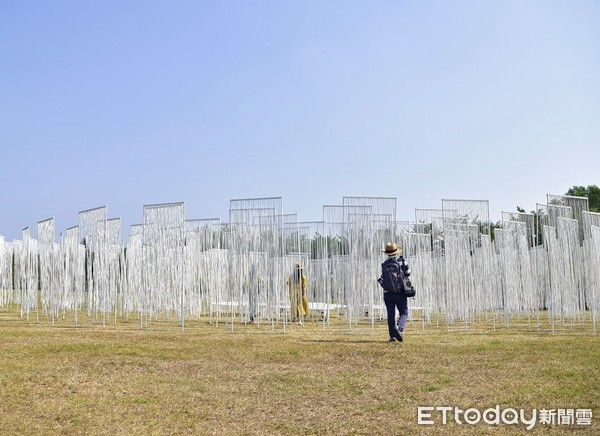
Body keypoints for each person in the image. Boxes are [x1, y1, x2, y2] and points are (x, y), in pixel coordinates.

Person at [379, 242, 411, 342]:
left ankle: (392, 337)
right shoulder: (401, 261)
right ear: (396, 251)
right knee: (404, 312)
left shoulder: (384, 264)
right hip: (399, 292)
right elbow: (408, 273)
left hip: (387, 293)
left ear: (387, 253)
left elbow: (383, 277)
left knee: (391, 314)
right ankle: (399, 327)